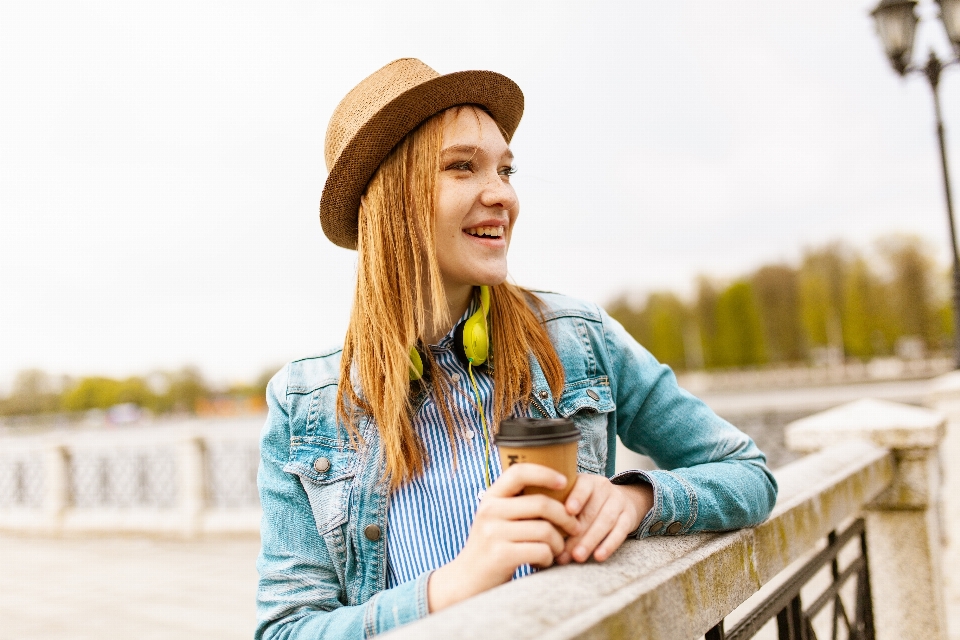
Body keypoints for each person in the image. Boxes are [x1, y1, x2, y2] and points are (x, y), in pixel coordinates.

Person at [255, 58, 778, 640]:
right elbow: (286, 630)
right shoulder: (304, 403)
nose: (502, 195)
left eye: (506, 170)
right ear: (391, 201)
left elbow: (749, 476)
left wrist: (635, 500)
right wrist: (452, 587)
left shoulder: (577, 338)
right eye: (463, 167)